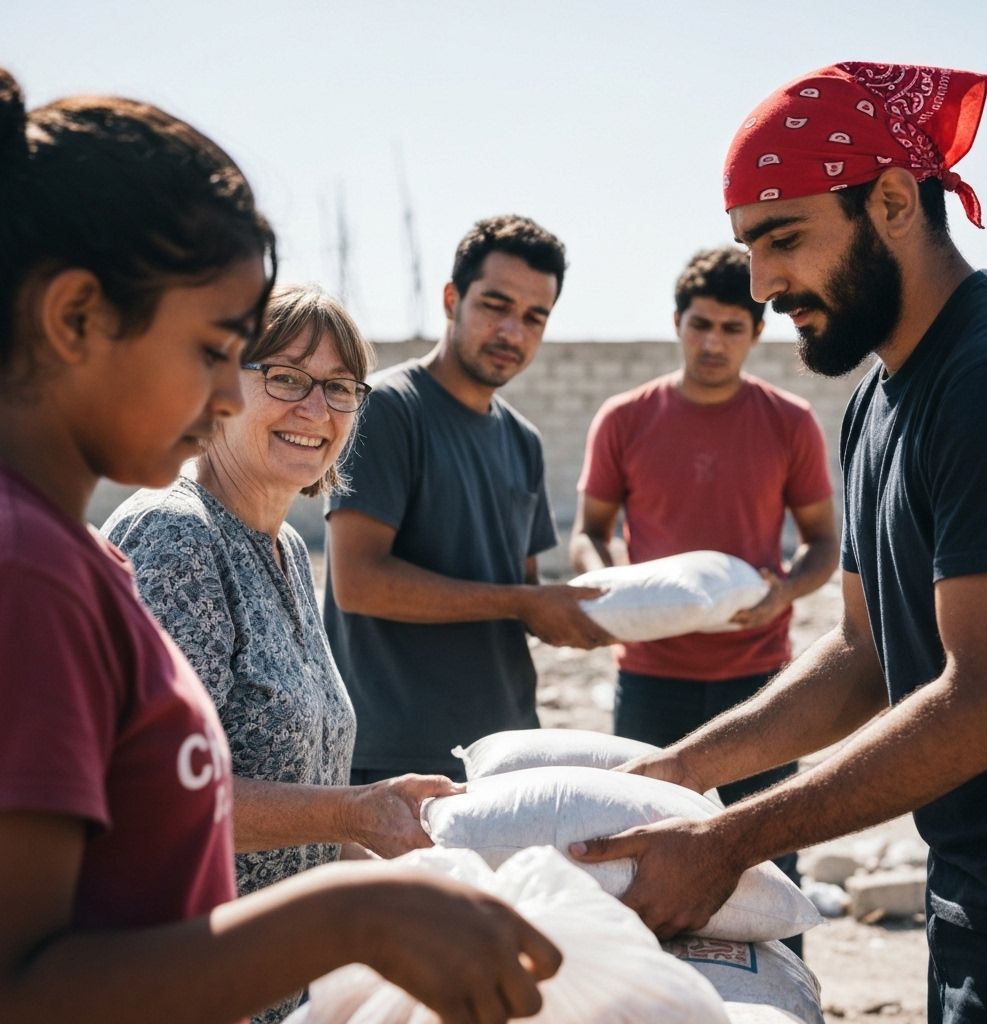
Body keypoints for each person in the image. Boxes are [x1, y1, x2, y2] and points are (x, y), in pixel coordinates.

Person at [0, 68, 560, 1024]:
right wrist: (351, 909)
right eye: (220, 351)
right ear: (76, 317)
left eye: (339, 388)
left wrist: (377, 870)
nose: (230, 397)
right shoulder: (46, 570)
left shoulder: (120, 559)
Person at [570, 61, 987, 1023]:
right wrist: (677, 773)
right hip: (976, 895)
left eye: (783, 238)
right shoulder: (873, 403)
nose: (763, 282)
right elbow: (865, 656)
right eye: (747, 247)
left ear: (894, 201)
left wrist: (730, 842)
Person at [102, 284, 463, 1023]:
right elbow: (152, 799)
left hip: (274, 984)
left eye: (339, 387)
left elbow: (299, 801)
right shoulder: (177, 539)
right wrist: (356, 811)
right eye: (288, 377)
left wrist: (414, 880)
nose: (316, 409)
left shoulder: (289, 546)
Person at [569, 245, 838, 953]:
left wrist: (785, 592)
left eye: (731, 328)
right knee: (636, 860)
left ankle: (781, 1000)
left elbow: (821, 544)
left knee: (770, 862)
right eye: (700, 325)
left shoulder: (789, 421)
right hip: (650, 680)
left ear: (755, 335)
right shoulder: (626, 418)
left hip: (760, 686)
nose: (713, 342)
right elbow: (588, 534)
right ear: (677, 323)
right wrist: (606, 593)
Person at [323, 214, 612, 782]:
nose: (513, 332)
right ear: (452, 298)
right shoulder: (386, 409)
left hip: (505, 750)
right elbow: (357, 583)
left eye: (534, 317)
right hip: (394, 761)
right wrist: (524, 603)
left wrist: (593, 611)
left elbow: (523, 591)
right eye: (495, 305)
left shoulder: (522, 439)